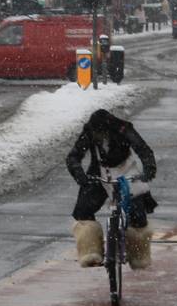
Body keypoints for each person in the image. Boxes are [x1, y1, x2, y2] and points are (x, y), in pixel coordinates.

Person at [66, 109, 157, 270]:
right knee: (83, 213)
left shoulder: (124, 129)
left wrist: (149, 169)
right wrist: (80, 175)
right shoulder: (89, 131)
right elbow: (73, 157)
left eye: (100, 133)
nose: (98, 137)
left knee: (138, 216)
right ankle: (91, 252)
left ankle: (138, 255)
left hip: (127, 171)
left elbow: (143, 150)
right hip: (99, 174)